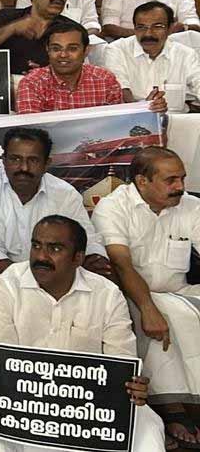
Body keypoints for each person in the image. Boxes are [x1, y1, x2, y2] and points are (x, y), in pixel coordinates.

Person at [0, 215, 165, 452]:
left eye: (55, 249)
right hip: (25, 404)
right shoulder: (10, 283)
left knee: (148, 427)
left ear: (78, 258)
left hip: (89, 405)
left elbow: (121, 361)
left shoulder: (107, 294)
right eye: (36, 245)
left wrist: (132, 386)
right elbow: (3, 360)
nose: (41, 257)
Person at [94, 146, 200, 447]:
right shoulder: (113, 207)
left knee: (178, 309)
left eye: (182, 178)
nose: (180, 186)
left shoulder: (190, 206)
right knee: (166, 313)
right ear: (142, 181)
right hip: (131, 294)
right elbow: (121, 265)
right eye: (171, 180)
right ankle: (172, 407)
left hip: (180, 292)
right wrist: (147, 306)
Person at [0, 127, 109, 277]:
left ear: (47, 163)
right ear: (4, 160)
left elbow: (87, 241)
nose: (24, 168)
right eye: (15, 159)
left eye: (33, 160)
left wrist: (94, 259)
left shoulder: (65, 194)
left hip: (58, 276)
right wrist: (38, 281)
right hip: (7, 278)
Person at [103, 1, 200, 108]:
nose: (148, 34)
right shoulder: (116, 50)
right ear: (134, 28)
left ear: (170, 28)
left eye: (157, 27)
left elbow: (198, 83)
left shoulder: (185, 54)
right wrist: (144, 108)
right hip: (132, 114)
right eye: (141, 27)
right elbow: (120, 90)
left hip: (176, 116)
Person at [16, 18, 124, 114]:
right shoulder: (32, 83)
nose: (63, 55)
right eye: (56, 49)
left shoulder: (105, 80)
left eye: (72, 49)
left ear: (86, 51)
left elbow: (117, 124)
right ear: (47, 50)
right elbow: (29, 128)